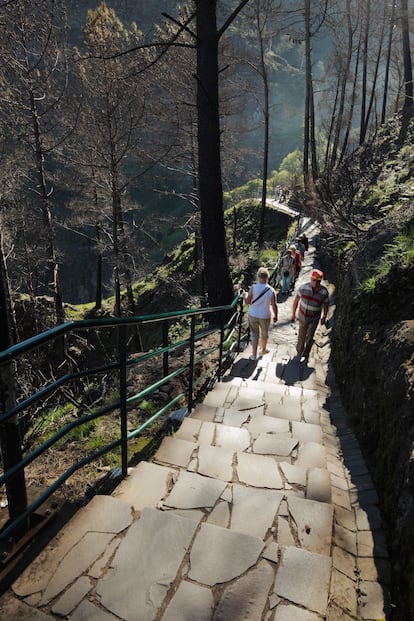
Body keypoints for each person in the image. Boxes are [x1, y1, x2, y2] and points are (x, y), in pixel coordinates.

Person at [291, 269, 329, 363]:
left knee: (310, 336)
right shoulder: (304, 288)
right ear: (311, 279)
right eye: (314, 280)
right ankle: (299, 352)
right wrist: (293, 314)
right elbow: (296, 301)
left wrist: (324, 316)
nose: (315, 283)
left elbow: (326, 305)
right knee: (302, 335)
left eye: (318, 281)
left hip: (314, 317)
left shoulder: (324, 292)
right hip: (303, 316)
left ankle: (306, 354)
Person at [245, 267, 278, 360]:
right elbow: (274, 305)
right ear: (267, 277)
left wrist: (245, 296)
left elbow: (247, 301)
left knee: (254, 334)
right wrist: (276, 315)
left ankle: (254, 355)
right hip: (265, 315)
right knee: (264, 333)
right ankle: (263, 349)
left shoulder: (253, 288)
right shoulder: (271, 290)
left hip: (253, 314)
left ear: (258, 277)